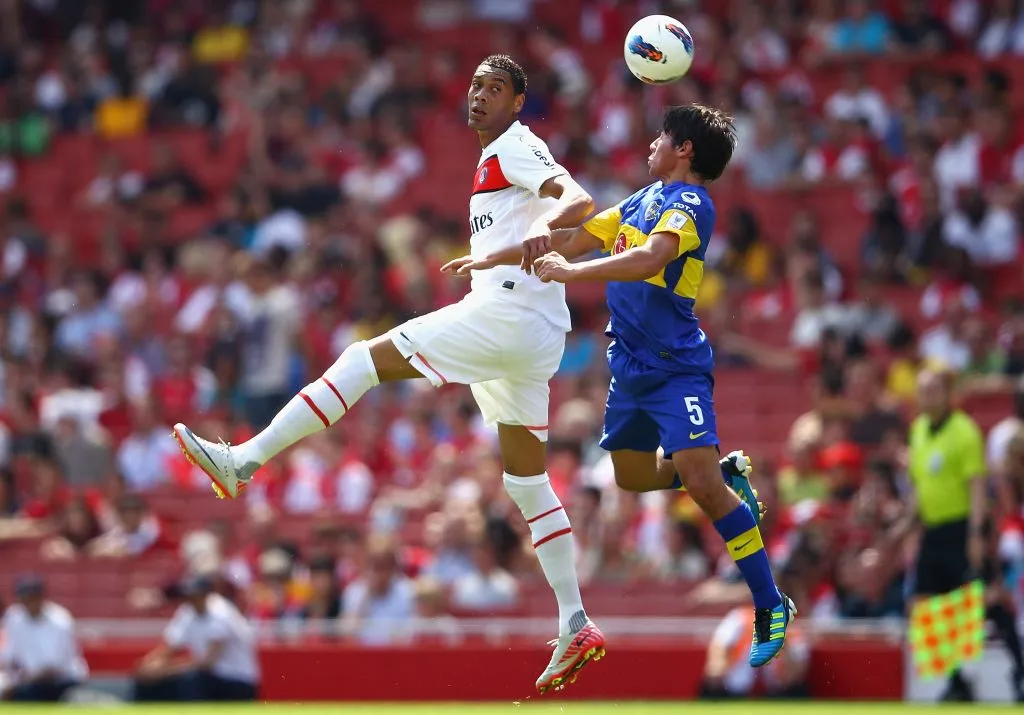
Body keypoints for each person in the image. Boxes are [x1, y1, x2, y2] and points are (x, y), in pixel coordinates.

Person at [172, 54, 604, 693]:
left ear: (518, 102)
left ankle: (244, 460)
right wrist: (531, 243)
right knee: (525, 480)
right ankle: (575, 620)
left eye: (496, 88)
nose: (480, 95)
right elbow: (566, 225)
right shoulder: (495, 159)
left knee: (361, 360)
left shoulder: (516, 145)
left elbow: (579, 200)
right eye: (475, 85)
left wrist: (545, 224)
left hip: (507, 315)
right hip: (531, 330)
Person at [449, 104, 794, 667]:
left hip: (674, 367)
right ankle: (720, 473)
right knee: (632, 477)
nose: (652, 143)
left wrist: (570, 273)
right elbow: (573, 238)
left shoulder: (690, 203)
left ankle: (770, 602)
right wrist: (491, 259)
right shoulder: (639, 200)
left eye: (663, 136)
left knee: (703, 489)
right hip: (628, 367)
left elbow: (649, 258)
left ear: (684, 149)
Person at [902, 369, 992, 701]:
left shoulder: (964, 431)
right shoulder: (917, 430)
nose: (926, 396)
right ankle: (955, 678)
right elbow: (919, 485)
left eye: (933, 390)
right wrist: (908, 525)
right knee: (926, 603)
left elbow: (977, 485)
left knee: (969, 602)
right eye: (922, 390)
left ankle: (993, 672)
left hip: (960, 527)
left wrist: (976, 534)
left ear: (947, 393)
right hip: (932, 529)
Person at [134, 575, 259, 702]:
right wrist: (149, 666)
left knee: (191, 681)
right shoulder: (187, 612)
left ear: (206, 594)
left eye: (195, 595)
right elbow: (169, 648)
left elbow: (208, 663)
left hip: (236, 680)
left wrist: (165, 671)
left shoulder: (221, 613)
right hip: (209, 679)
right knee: (148, 684)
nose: (191, 599)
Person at [0, 575, 88, 702]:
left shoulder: (60, 620)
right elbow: (9, 655)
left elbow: (58, 664)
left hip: (62, 681)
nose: (27, 603)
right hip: (26, 681)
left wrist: (31, 676)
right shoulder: (14, 618)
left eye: (31, 598)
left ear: (40, 597)